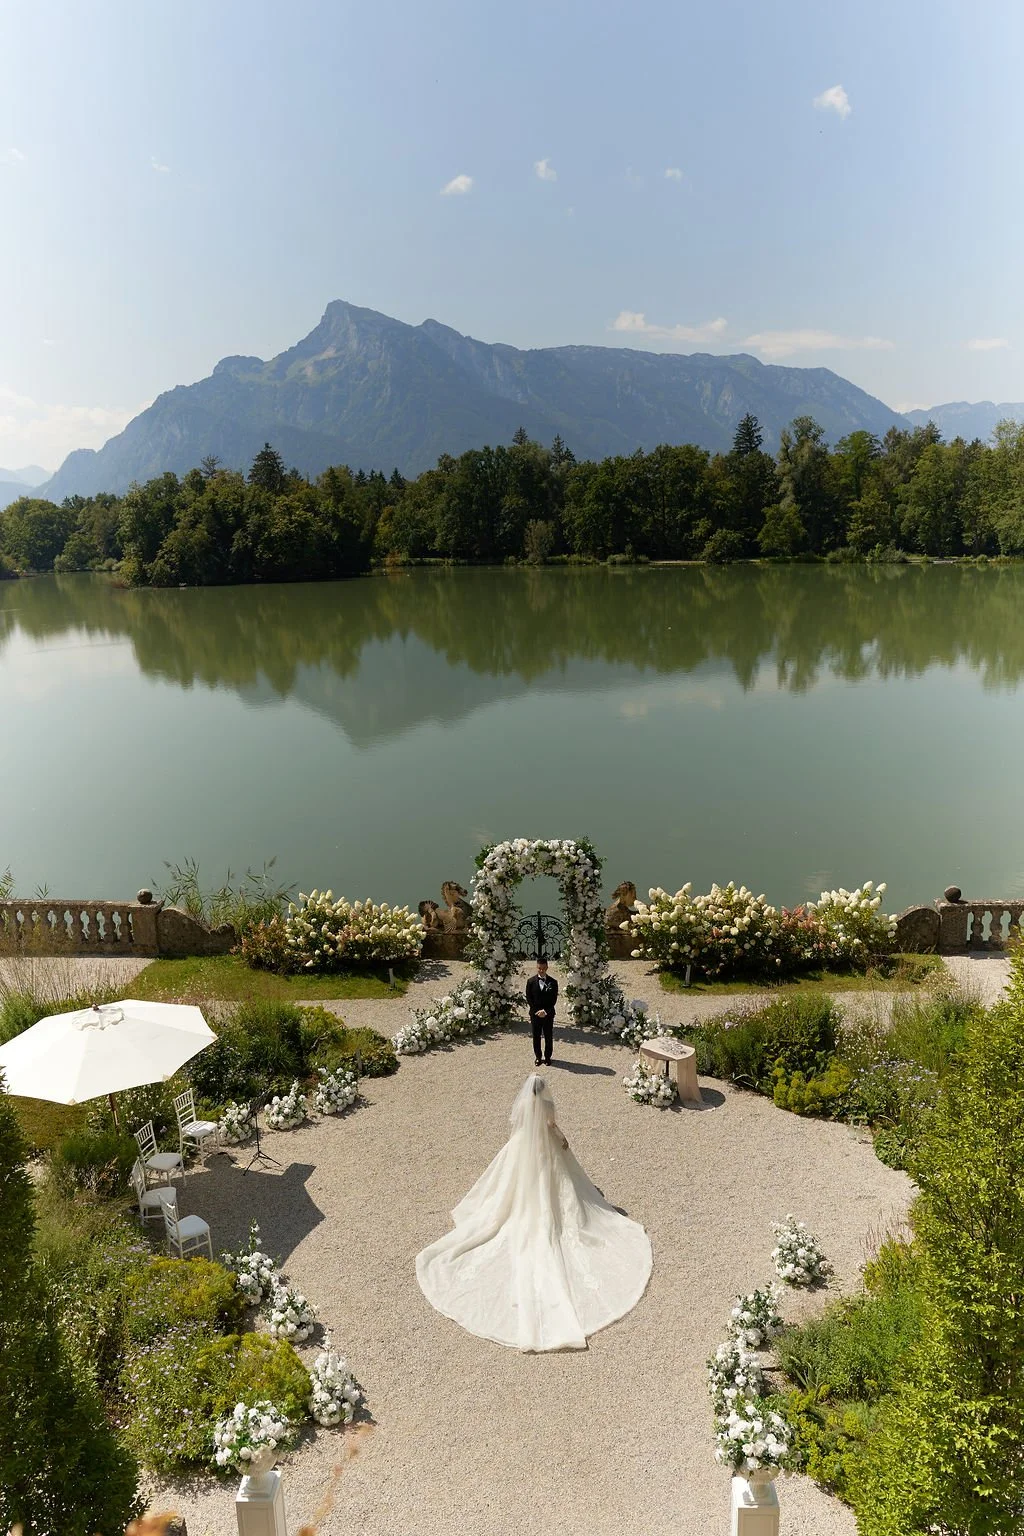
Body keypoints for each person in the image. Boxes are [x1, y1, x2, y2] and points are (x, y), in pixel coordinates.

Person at [415, 1074, 653, 1352]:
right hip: (547, 1154)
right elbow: (551, 1126)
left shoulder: (525, 1107)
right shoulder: (548, 1105)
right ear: (545, 1091)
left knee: (506, 1191)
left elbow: (518, 1128)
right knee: (558, 1191)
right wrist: (563, 1141)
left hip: (523, 1150)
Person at [525, 956, 558, 1066]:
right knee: (536, 1036)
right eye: (539, 968)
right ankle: (538, 1057)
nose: (541, 970)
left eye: (543, 968)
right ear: (537, 967)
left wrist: (545, 1011)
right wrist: (537, 1011)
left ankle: (548, 1057)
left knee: (548, 1036)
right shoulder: (530, 982)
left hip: (548, 1014)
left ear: (547, 967)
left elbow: (553, 999)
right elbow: (529, 998)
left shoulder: (553, 982)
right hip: (535, 1014)